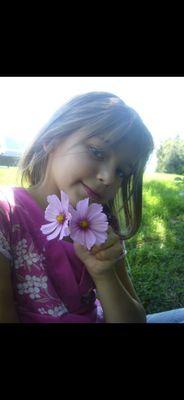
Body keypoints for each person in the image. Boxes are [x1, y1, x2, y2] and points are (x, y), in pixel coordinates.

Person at [0, 91, 154, 323]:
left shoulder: (103, 225)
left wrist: (105, 275)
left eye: (121, 171)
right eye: (96, 151)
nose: (108, 178)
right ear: (53, 138)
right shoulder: (6, 215)